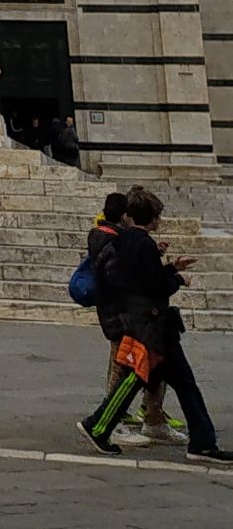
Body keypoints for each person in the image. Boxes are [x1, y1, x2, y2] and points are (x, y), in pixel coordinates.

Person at [80, 185, 232, 462]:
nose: (159, 221)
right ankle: (99, 426)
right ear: (151, 218)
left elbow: (140, 278)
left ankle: (201, 441)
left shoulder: (124, 241)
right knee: (165, 382)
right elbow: (156, 287)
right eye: (158, 216)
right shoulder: (143, 244)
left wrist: (172, 267)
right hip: (152, 326)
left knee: (157, 381)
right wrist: (178, 279)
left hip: (142, 323)